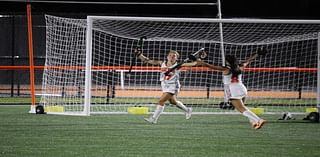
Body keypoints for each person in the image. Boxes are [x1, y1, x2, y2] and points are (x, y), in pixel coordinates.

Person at [196, 47, 267, 129]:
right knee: (243, 107)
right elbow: (248, 60)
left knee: (241, 109)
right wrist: (257, 54)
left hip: (234, 90)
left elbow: (209, 66)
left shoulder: (226, 69)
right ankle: (253, 122)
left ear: (227, 61)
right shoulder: (240, 66)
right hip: (242, 88)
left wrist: (200, 61)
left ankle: (258, 120)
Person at [135, 49, 198, 124]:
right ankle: (188, 110)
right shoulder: (162, 63)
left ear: (177, 58)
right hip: (164, 84)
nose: (171, 57)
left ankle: (153, 119)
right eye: (170, 55)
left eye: (174, 56)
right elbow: (147, 60)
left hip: (173, 85)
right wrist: (139, 55)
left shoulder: (178, 65)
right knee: (173, 102)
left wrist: (194, 59)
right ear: (167, 56)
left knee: (161, 101)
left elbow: (194, 64)